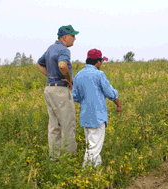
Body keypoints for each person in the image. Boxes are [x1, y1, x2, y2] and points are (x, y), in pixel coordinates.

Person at [72, 49, 122, 167]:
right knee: (94, 148)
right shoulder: (99, 74)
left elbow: (75, 97)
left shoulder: (78, 75)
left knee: (91, 145)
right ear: (98, 62)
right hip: (97, 117)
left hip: (85, 117)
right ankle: (86, 175)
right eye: (101, 61)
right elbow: (110, 93)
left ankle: (97, 172)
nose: (101, 64)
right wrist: (119, 105)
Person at [36, 25, 79, 160]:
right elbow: (62, 65)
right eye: (73, 36)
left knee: (54, 125)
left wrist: (50, 76)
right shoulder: (63, 49)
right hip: (60, 89)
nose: (75, 39)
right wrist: (69, 81)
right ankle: (69, 159)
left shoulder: (50, 48)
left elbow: (39, 64)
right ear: (65, 37)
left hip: (49, 88)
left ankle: (54, 158)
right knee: (68, 124)